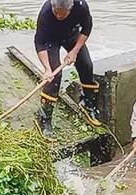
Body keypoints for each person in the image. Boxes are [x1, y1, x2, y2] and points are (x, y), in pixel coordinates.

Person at [34, 0, 101, 138]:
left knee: (86, 65)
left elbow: (87, 28)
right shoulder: (46, 12)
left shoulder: (81, 6)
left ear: (70, 9)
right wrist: (47, 69)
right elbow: (40, 43)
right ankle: (44, 117)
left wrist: (75, 51)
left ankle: (87, 103)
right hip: (50, 40)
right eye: (56, 13)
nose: (59, 16)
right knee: (55, 76)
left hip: (72, 35)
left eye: (62, 15)